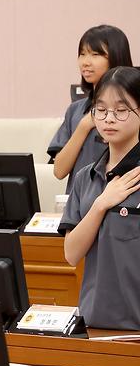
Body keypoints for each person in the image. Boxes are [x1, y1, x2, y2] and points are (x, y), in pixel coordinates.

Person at [61, 66, 140, 330]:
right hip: (95, 321)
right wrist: (101, 204)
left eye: (121, 110)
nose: (109, 119)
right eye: (101, 110)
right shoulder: (85, 177)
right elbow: (72, 254)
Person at [49, 25, 133, 187]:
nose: (85, 62)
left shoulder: (133, 110)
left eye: (95, 54)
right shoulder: (76, 110)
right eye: (82, 54)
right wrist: (84, 125)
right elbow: (59, 171)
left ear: (116, 56)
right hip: (78, 204)